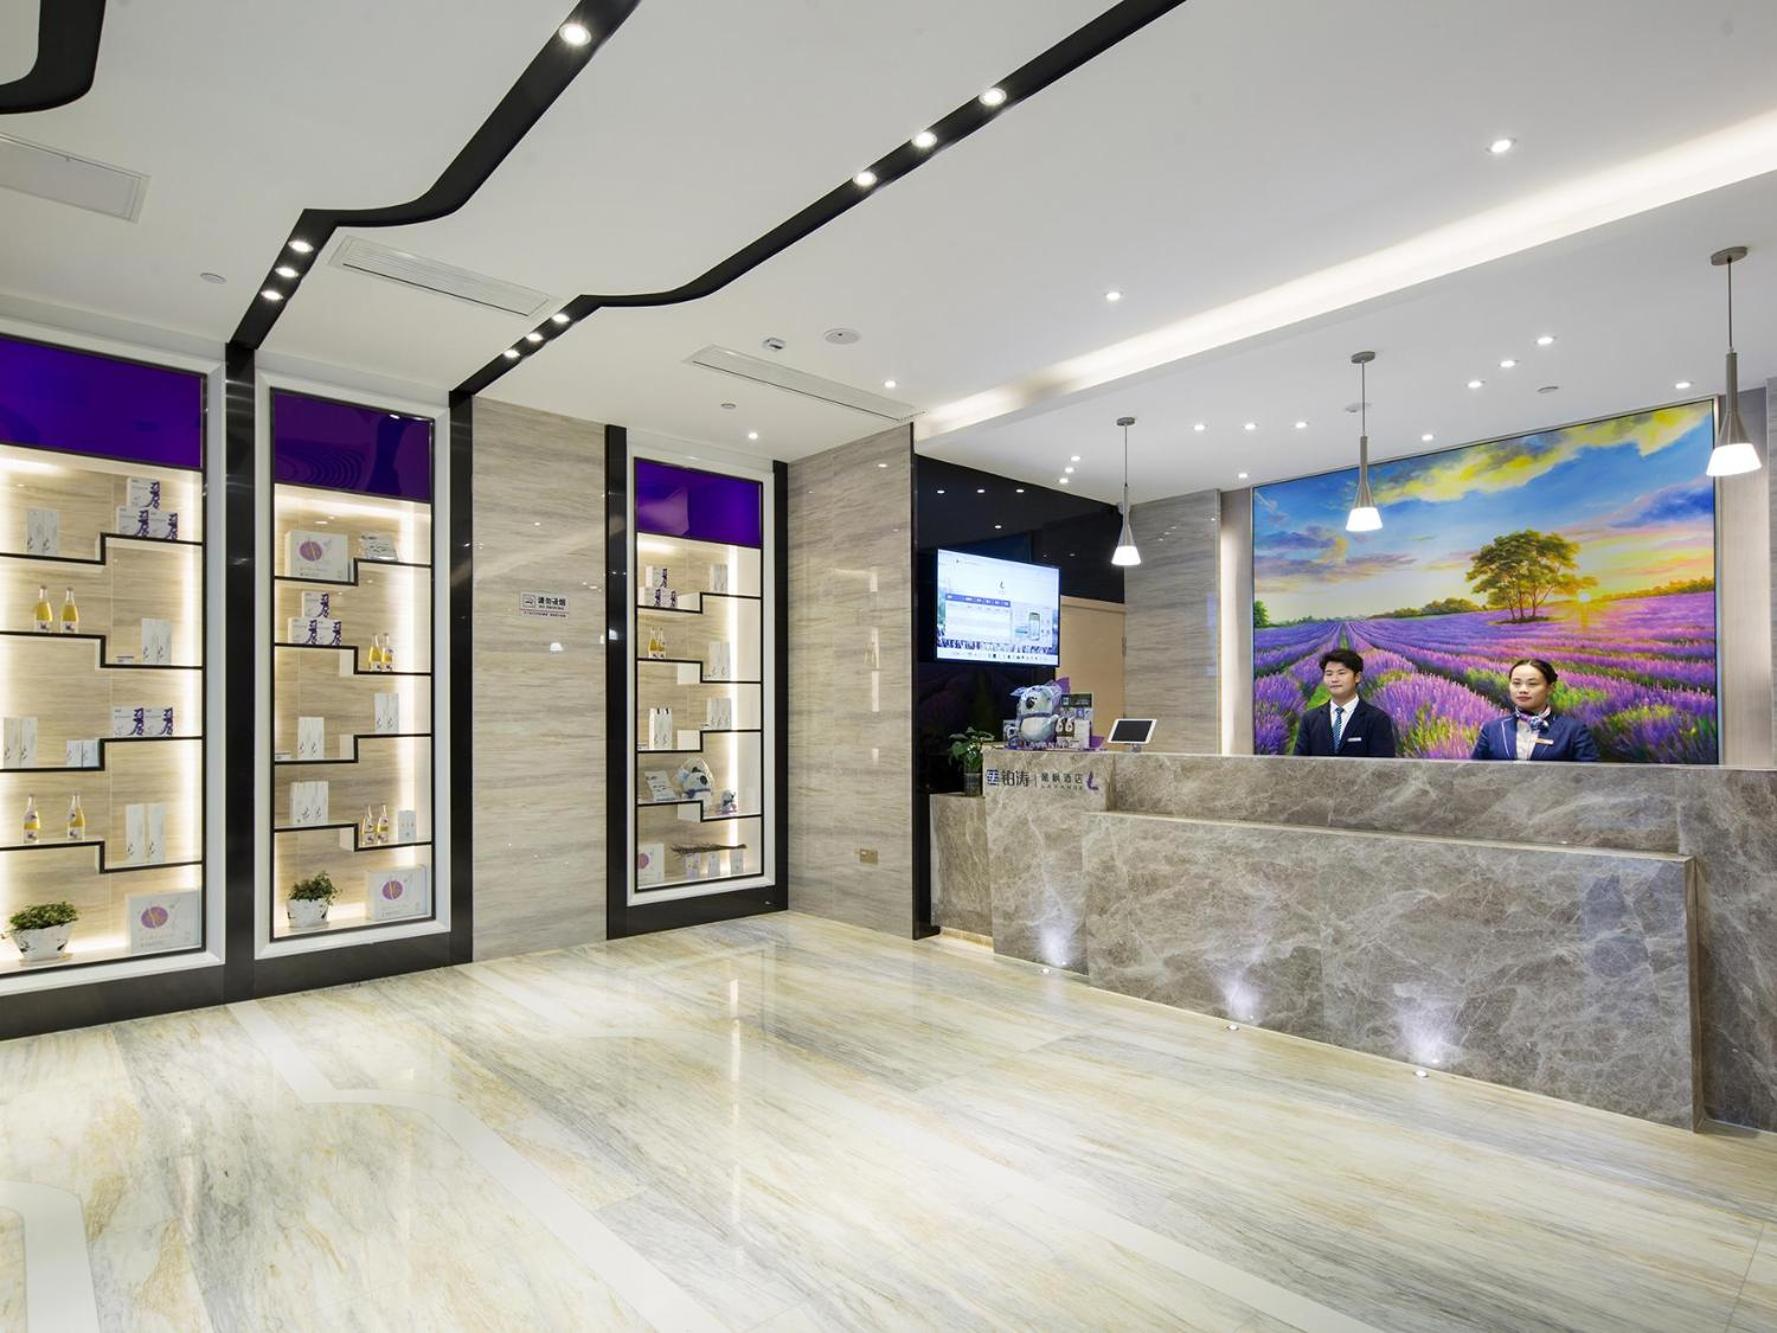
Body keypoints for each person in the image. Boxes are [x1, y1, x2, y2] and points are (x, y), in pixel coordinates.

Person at [1470, 658, 1599, 762]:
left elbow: (1590, 775)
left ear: (1550, 688)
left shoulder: (1573, 730)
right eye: (1516, 683)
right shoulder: (1493, 729)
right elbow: (1474, 772)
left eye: (1532, 684)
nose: (1523, 690)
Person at [1292, 648, 1397, 758]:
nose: (1334, 679)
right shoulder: (1310, 719)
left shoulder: (1377, 719)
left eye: (1341, 673)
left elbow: (1383, 764)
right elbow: (1298, 762)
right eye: (1329, 674)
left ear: (1357, 677)